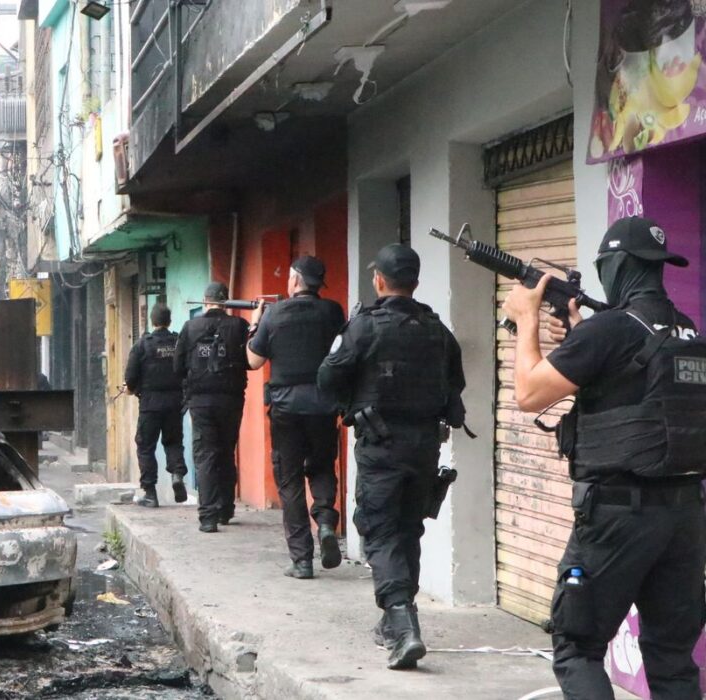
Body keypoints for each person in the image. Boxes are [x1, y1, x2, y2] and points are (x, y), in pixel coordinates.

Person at [502, 216, 706, 700]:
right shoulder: (687, 331)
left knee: (577, 647)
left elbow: (530, 394)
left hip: (617, 517)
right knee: (673, 660)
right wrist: (577, 333)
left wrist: (526, 318)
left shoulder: (610, 330)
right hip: (684, 517)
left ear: (613, 266)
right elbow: (633, 388)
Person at [318, 244, 467, 671]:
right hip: (424, 447)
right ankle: (395, 620)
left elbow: (328, 376)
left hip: (381, 447)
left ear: (379, 281)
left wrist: (350, 397)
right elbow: (455, 383)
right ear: (415, 282)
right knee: (408, 529)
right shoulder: (437, 329)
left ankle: (402, 625)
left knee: (380, 532)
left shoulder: (365, 327)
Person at [247, 255, 346, 580]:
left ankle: (302, 560)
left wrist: (255, 324)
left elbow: (253, 362)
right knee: (321, 466)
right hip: (323, 404)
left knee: (289, 480)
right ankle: (327, 521)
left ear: (293, 280)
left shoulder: (274, 315)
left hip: (286, 408)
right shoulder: (333, 312)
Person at [175, 282, 250, 533]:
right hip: (231, 400)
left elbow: (177, 366)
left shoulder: (190, 327)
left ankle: (208, 517)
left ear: (206, 301)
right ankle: (225, 510)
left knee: (206, 454)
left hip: (201, 401)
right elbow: (250, 360)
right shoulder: (239, 326)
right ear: (226, 301)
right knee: (226, 452)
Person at [125, 303, 187, 508]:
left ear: (152, 321)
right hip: (175, 403)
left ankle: (150, 494)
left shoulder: (142, 345)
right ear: (169, 321)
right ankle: (177, 475)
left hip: (150, 405)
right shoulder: (179, 342)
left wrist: (132, 388)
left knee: (145, 446)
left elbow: (131, 378)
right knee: (174, 442)